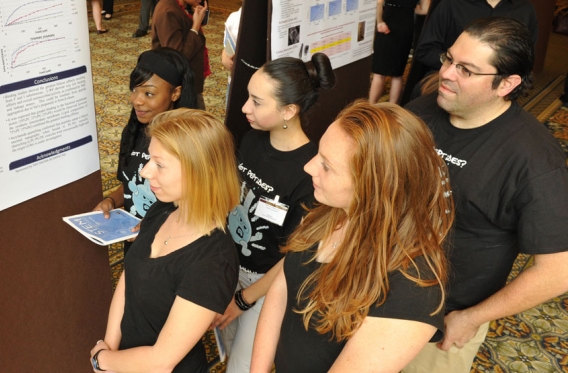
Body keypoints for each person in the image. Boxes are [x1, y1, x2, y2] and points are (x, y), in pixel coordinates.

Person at [403, 17, 568, 372]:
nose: (446, 73)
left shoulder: (535, 161)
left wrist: (472, 317)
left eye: (466, 69)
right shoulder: (422, 109)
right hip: (379, 287)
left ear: (506, 84)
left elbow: (559, 270)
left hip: (443, 316)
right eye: (449, 59)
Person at [250, 101, 454, 372]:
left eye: (327, 166)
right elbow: (284, 285)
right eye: (318, 155)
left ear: (373, 187)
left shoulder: (413, 290)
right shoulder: (328, 210)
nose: (310, 167)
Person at [89, 109, 240, 373]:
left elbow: (161, 361)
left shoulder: (213, 262)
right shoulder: (162, 209)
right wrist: (110, 345)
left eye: (159, 164)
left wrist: (101, 361)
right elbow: (129, 274)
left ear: (199, 172)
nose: (146, 172)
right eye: (149, 160)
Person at [213, 53, 335, 373]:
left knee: (244, 365)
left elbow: (295, 254)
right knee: (226, 341)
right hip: (228, 265)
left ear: (288, 110)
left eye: (256, 102)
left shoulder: (309, 174)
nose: (244, 108)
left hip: (265, 284)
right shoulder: (252, 140)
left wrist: (245, 299)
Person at [92, 48, 199, 253]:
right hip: (134, 241)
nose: (137, 100)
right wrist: (112, 201)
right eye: (135, 90)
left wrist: (156, 224)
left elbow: (200, 203)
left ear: (175, 93)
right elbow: (131, 183)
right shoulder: (134, 132)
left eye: (149, 93)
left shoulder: (190, 144)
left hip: (170, 246)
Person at [405, 0, 537, 100]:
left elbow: (525, 60)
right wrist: (460, 67)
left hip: (496, 91)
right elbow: (425, 50)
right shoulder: (452, 3)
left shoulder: (525, 10)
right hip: (447, 83)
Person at [152, 0, 210, 109]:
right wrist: (196, 25)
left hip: (188, 80)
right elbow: (178, 55)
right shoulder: (168, 11)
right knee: (192, 122)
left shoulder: (182, 7)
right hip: (180, 83)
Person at [368, 0, 428, 104]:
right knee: (397, 74)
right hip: (406, 25)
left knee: (379, 73)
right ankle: (393, 109)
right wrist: (408, 8)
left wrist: (380, 21)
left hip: (387, 22)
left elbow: (378, 3)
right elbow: (424, 10)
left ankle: (371, 107)